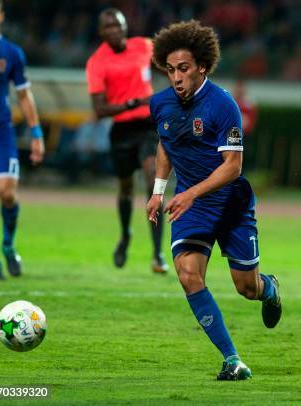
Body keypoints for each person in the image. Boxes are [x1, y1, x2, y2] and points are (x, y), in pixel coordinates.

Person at [146, 20, 282, 381]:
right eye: (170, 69)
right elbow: (166, 142)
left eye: (184, 69)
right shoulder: (160, 104)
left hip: (230, 202)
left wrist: (189, 192)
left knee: (246, 288)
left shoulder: (223, 105)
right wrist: (159, 191)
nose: (176, 77)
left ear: (202, 66)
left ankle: (269, 288)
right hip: (193, 207)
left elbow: (232, 167)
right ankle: (232, 359)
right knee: (189, 275)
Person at [85, 8, 168, 274]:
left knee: (152, 180)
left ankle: (157, 254)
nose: (114, 31)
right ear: (101, 32)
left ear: (125, 27)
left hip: (147, 126)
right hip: (121, 130)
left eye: (118, 26)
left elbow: (169, 59)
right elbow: (99, 109)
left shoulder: (143, 46)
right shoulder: (97, 62)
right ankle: (125, 236)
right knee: (125, 189)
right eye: (108, 27)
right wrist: (132, 102)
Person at [0, 0, 44, 280]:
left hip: (1, 133)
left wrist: (36, 134)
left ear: (1, 17)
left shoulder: (12, 53)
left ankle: (8, 245)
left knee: (7, 193)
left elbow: (23, 94)